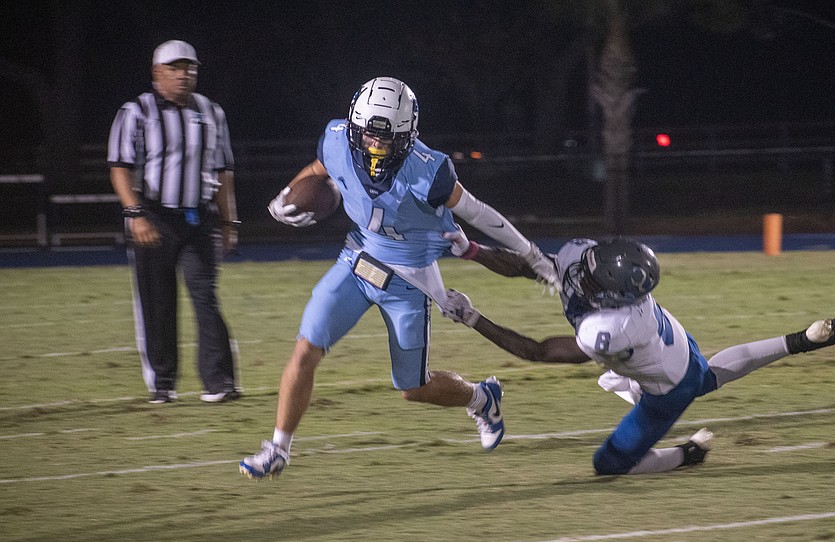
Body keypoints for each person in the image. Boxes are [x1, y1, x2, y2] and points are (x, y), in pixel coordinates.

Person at [238, 76, 558, 479]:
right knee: (306, 349)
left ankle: (481, 397)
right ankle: (278, 449)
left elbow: (479, 212)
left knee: (413, 388)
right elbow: (320, 170)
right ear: (355, 127)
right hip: (357, 261)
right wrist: (288, 195)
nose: (374, 145)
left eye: (386, 140)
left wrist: (529, 251)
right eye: (368, 136)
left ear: (407, 136)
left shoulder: (430, 171)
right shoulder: (336, 138)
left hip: (409, 279)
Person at [440, 233, 835, 475]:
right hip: (674, 345)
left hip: (667, 386)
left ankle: (687, 455)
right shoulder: (601, 272)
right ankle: (802, 340)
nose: (580, 273)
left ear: (613, 294)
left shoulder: (609, 329)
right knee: (706, 376)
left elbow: (538, 351)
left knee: (610, 464)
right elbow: (533, 266)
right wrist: (470, 250)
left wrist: (472, 317)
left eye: (593, 278)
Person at [107, 40, 241, 404]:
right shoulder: (136, 111)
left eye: (190, 68)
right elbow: (120, 167)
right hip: (154, 214)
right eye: (175, 68)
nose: (184, 75)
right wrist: (134, 213)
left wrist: (229, 222)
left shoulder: (212, 112)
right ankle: (163, 383)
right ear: (157, 73)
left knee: (206, 297)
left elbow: (222, 171)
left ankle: (220, 382)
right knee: (158, 300)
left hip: (198, 217)